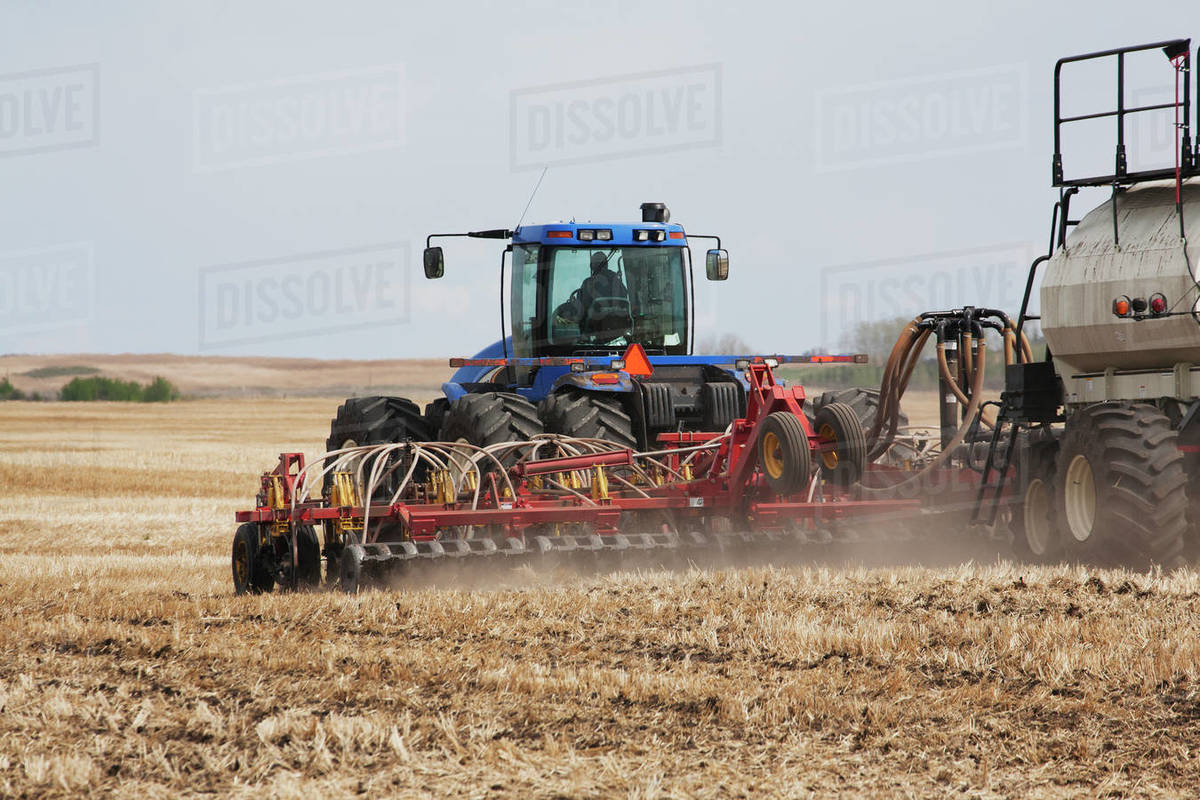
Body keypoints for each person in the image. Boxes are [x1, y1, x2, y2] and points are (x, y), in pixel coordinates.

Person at [554, 252, 629, 339]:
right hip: (618, 328)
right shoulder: (617, 280)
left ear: (591, 266)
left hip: (594, 329)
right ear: (606, 264)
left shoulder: (588, 283)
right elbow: (624, 300)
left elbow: (583, 307)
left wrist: (575, 304)